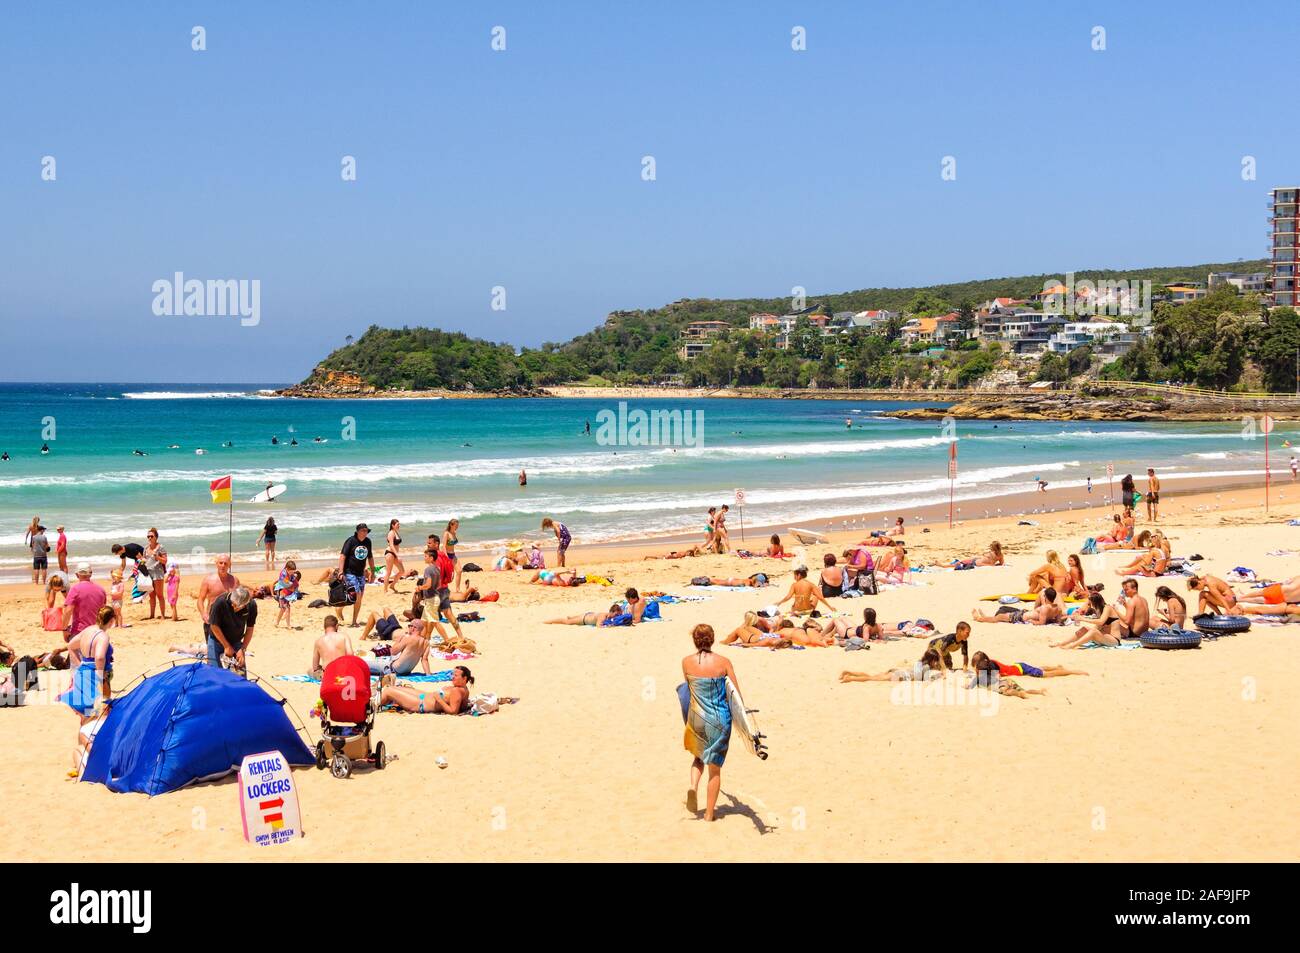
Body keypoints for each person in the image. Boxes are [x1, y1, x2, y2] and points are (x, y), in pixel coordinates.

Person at [681, 624, 737, 821]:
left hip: (696, 718)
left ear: (695, 640)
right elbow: (735, 696)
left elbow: (688, 689)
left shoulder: (686, 662)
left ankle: (693, 787)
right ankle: (709, 814)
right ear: (712, 639)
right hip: (719, 720)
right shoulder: (724, 662)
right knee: (715, 770)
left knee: (698, 758)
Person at [58, 605, 116, 777]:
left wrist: (76, 666)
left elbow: (70, 645)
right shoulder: (103, 636)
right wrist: (100, 677)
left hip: (82, 672)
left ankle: (81, 753)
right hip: (94, 677)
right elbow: (99, 657)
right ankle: (94, 757)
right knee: (99, 713)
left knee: (85, 716)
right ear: (111, 620)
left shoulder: (88, 630)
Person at [1053, 578, 1149, 649]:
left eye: (1126, 589)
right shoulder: (1142, 599)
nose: (1124, 591)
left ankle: (1072, 646)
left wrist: (1083, 619)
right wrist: (1069, 616)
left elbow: (1102, 621)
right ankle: (1062, 643)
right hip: (1136, 632)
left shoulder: (1109, 607)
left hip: (1115, 639)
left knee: (1093, 630)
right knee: (1085, 629)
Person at [377, 665, 474, 714]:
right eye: (453, 674)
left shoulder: (457, 691)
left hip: (420, 704)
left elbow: (453, 711)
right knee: (394, 687)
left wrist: (439, 699)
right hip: (424, 696)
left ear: (464, 678)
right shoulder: (464, 689)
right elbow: (463, 706)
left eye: (456, 676)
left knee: (389, 691)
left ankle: (372, 705)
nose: (452, 677)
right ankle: (378, 699)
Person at [206, 586, 257, 672]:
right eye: (232, 603)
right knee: (215, 672)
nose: (233, 607)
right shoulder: (220, 602)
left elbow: (250, 628)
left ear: (245, 604)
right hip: (216, 640)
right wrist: (226, 646)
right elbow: (214, 626)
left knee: (240, 673)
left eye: (237, 606)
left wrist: (243, 649)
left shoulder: (251, 605)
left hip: (236, 641)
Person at [337, 523, 375, 627]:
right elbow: (343, 556)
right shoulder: (351, 541)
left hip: (361, 573)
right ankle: (353, 621)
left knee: (358, 597)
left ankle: (340, 609)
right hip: (349, 572)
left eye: (366, 531)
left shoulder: (368, 542)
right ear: (358, 531)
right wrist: (341, 571)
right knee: (357, 594)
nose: (365, 533)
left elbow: (370, 557)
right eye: (363, 530)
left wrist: (373, 571)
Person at [839, 648, 943, 683]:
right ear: (932, 660)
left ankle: (848, 672)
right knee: (871, 678)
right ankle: (850, 678)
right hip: (900, 676)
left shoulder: (919, 662)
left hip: (897, 671)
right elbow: (920, 679)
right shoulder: (926, 667)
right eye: (935, 661)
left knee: (872, 675)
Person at [63, 562, 106, 642]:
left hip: (80, 631)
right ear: (91, 574)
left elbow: (68, 611)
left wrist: (64, 629)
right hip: (97, 631)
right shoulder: (101, 590)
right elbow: (104, 612)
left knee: (75, 653)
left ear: (77, 574)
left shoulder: (75, 589)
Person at [972, 589, 1064, 626]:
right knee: (1000, 616)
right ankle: (984, 617)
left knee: (999, 617)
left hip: (1020, 617)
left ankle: (979, 618)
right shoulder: (1058, 608)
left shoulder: (1045, 608)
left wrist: (1032, 621)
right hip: (1023, 613)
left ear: (1046, 597)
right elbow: (1058, 621)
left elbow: (1041, 622)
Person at [141, 528, 168, 620]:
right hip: (148, 573)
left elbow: (165, 561)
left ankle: (163, 615)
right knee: (151, 595)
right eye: (148, 536)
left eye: (151, 536)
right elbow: (144, 559)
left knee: (159, 594)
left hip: (158, 573)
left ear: (156, 537)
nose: (149, 538)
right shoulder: (145, 548)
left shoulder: (161, 547)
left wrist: (157, 557)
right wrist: (141, 562)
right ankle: (152, 615)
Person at [546, 604, 623, 627]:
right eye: (616, 614)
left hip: (588, 615)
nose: (616, 616)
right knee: (567, 622)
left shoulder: (607, 616)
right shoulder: (603, 616)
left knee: (569, 619)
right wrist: (610, 626)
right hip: (584, 619)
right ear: (611, 612)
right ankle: (548, 622)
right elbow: (598, 626)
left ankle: (572, 617)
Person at [444, 518, 462, 591]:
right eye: (456, 525)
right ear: (451, 525)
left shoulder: (454, 533)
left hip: (453, 555)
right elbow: (444, 546)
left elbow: (453, 544)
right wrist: (446, 557)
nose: (457, 527)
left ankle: (457, 589)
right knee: (446, 574)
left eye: (457, 526)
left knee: (459, 570)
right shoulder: (446, 533)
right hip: (447, 555)